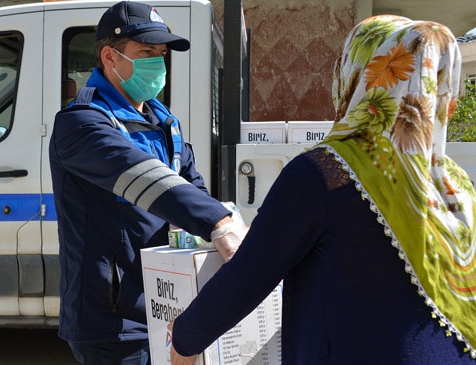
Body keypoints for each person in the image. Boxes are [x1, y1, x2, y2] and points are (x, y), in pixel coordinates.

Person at [171, 15, 476, 364]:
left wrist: (183, 341)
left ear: (358, 75)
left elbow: (248, 277)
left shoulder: (325, 172)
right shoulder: (454, 182)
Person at [48, 2, 246, 364]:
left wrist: (219, 223)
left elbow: (191, 186)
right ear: (110, 56)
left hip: (166, 307)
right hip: (112, 321)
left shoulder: (162, 120)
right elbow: (144, 178)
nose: (158, 63)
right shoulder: (81, 125)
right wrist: (218, 222)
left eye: (161, 53)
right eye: (146, 52)